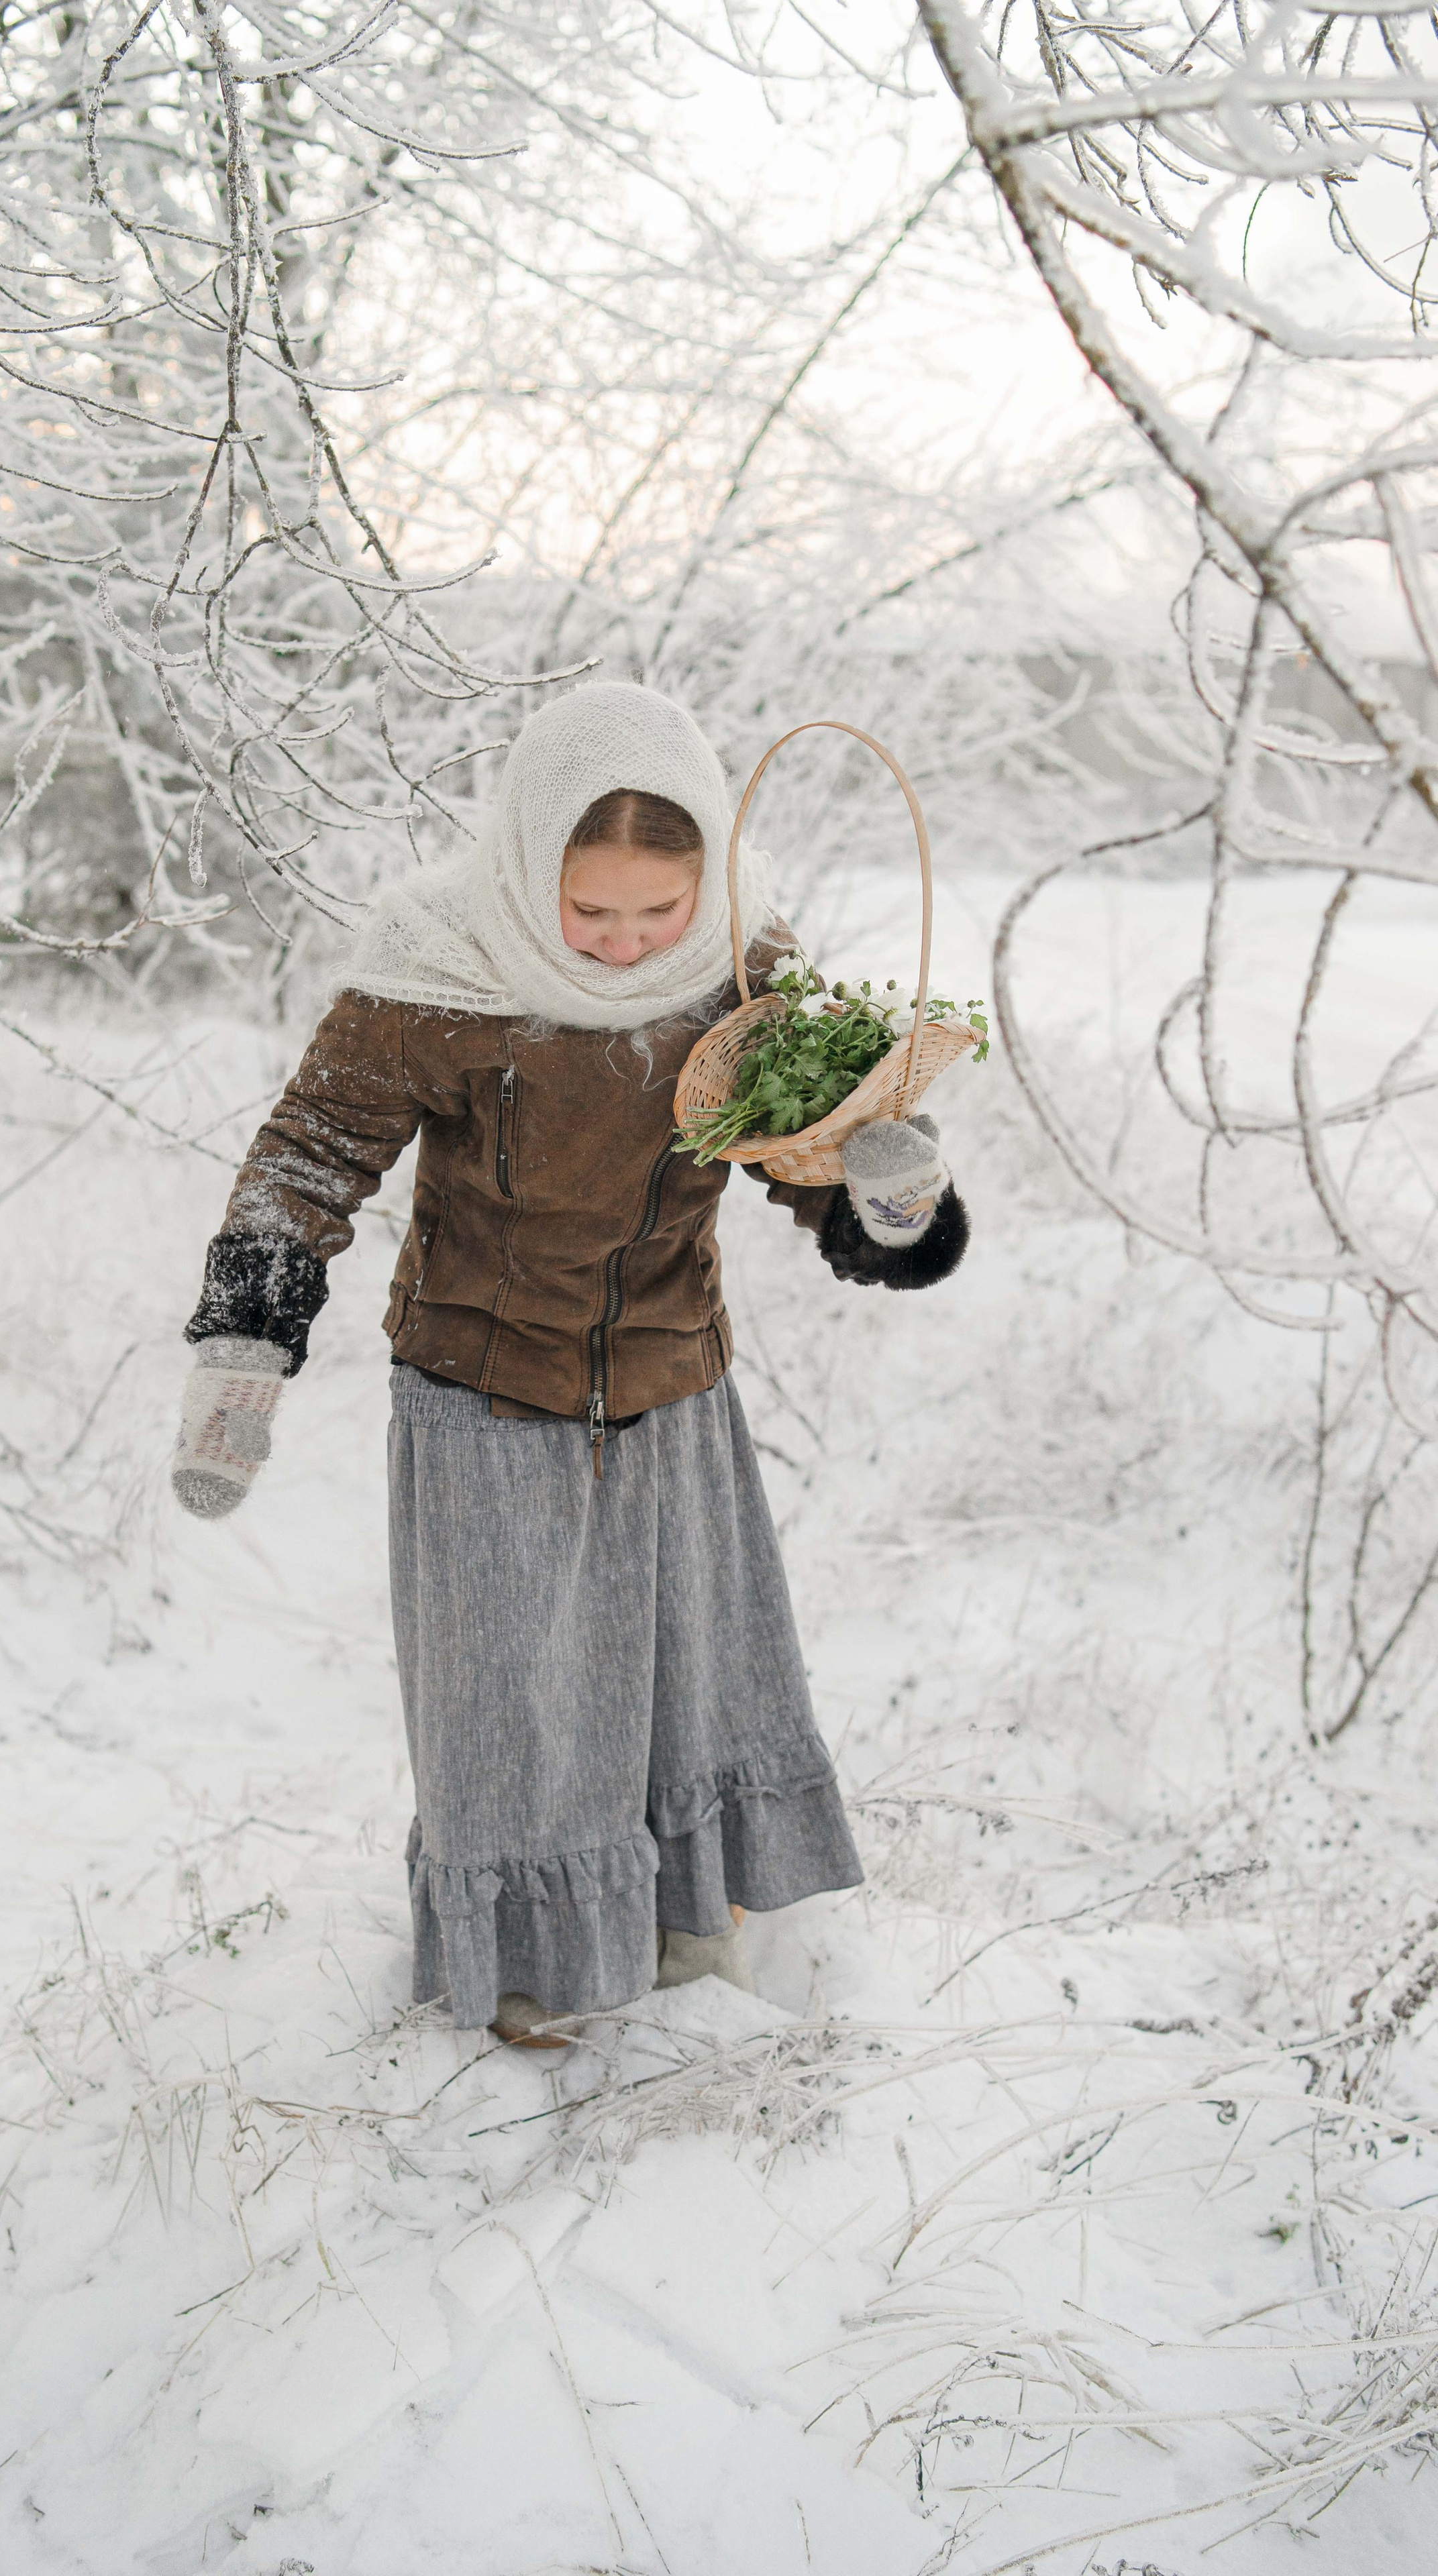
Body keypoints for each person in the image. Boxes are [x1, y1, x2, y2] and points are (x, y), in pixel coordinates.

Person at [170, 682, 968, 2047]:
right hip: (478, 1392)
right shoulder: (439, 970)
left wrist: (889, 1198)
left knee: (683, 1678)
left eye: (652, 913)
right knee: (511, 1705)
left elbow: (804, 1158)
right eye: (588, 912)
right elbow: (311, 1147)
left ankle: (686, 1932)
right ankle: (530, 1974)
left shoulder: (739, 964)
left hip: (671, 1386)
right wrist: (248, 1341)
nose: (620, 943)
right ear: (523, 862)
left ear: (704, 880)